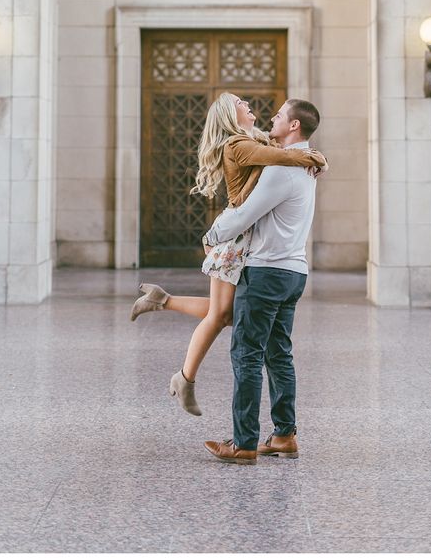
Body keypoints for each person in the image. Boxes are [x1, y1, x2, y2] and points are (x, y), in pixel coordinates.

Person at [130, 93, 326, 416]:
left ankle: (162, 301)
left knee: (231, 313)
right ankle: (184, 378)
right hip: (233, 236)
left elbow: (277, 150)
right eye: (240, 104)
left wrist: (312, 156)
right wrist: (314, 158)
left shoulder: (253, 139)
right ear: (231, 117)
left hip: (240, 236)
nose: (249, 105)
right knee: (225, 315)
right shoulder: (237, 144)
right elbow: (282, 158)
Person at [202, 98, 322, 465]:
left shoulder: (280, 170)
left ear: (294, 127)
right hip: (294, 271)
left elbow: (243, 216)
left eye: (280, 116)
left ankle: (243, 444)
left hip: (267, 271)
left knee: (247, 355)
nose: (273, 117)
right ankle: (284, 435)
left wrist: (211, 234)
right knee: (278, 355)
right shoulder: (306, 166)